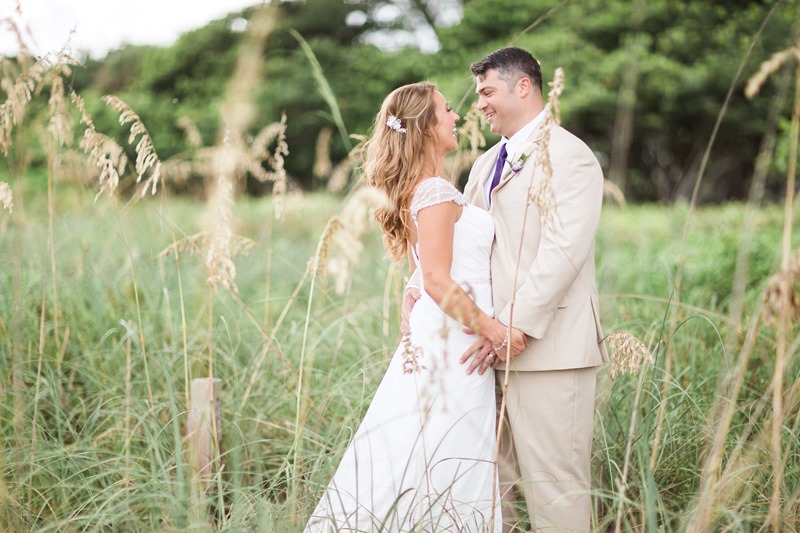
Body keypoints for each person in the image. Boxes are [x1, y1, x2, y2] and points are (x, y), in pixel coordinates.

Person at [304, 81, 526, 532]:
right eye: (447, 110)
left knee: (425, 446)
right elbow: (438, 280)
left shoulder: (423, 189)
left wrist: (413, 289)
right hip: (456, 342)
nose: (457, 116)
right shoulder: (435, 192)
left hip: (444, 333)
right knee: (447, 448)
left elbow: (421, 268)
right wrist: (495, 330)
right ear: (425, 127)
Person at [405, 48, 607, 532]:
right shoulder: (484, 163)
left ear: (523, 87)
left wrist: (512, 328)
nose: (479, 105)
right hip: (485, 353)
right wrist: (419, 288)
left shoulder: (571, 156)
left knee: (556, 489)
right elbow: (463, 244)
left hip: (548, 349)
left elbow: (562, 252)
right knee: (496, 495)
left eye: (487, 92)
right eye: (478, 95)